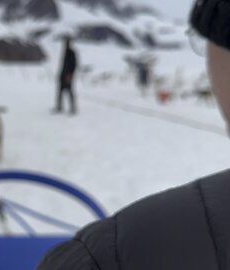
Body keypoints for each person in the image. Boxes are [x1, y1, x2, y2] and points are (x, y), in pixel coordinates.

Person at [37, 1, 230, 269]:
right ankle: (65, 106)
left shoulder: (107, 256)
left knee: (67, 94)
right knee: (66, 94)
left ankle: (67, 106)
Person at [55, 37, 78, 115]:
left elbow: (74, 65)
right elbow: (63, 65)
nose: (65, 45)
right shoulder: (64, 52)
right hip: (62, 75)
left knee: (70, 92)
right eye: (64, 43)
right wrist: (59, 74)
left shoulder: (72, 52)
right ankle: (59, 107)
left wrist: (70, 75)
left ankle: (73, 108)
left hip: (68, 76)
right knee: (60, 92)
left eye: (67, 43)